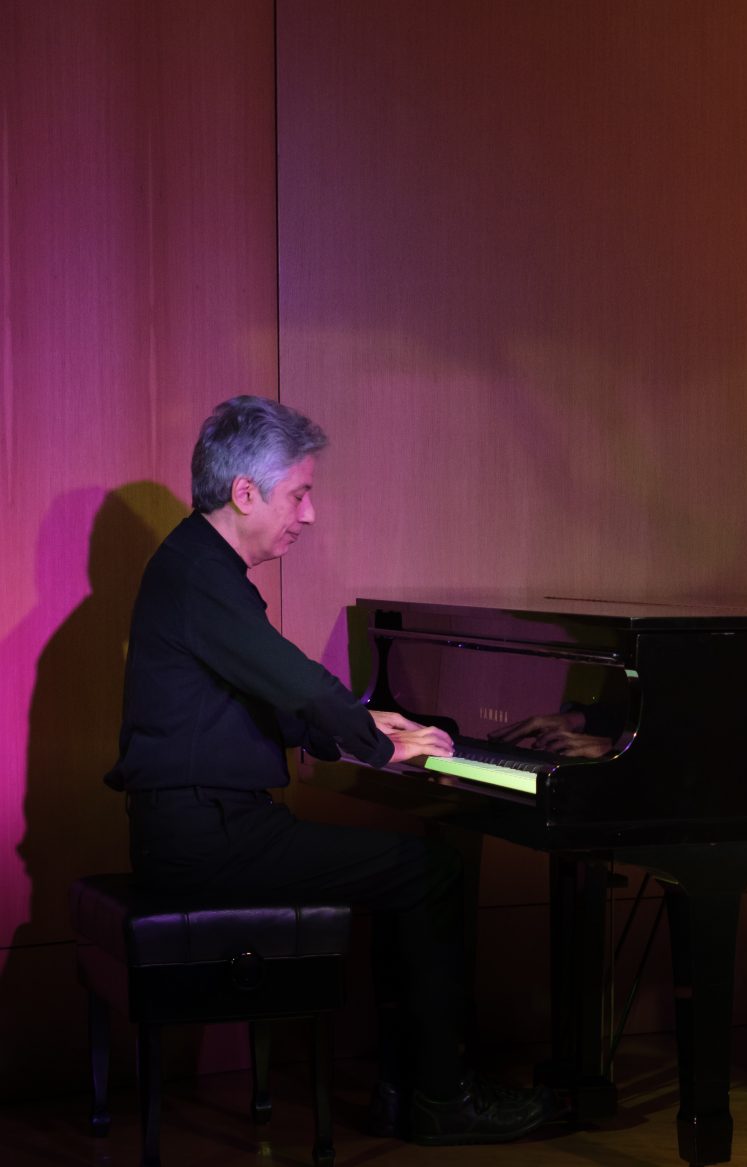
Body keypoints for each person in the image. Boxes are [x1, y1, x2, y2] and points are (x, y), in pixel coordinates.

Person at [107, 395, 552, 1146]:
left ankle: (402, 1092)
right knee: (430, 871)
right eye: (299, 494)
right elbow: (298, 684)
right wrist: (378, 744)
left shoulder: (197, 566)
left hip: (200, 826)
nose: (309, 515)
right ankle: (442, 1099)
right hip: (206, 836)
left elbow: (269, 695)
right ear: (244, 492)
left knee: (415, 869)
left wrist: (368, 726)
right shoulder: (201, 575)